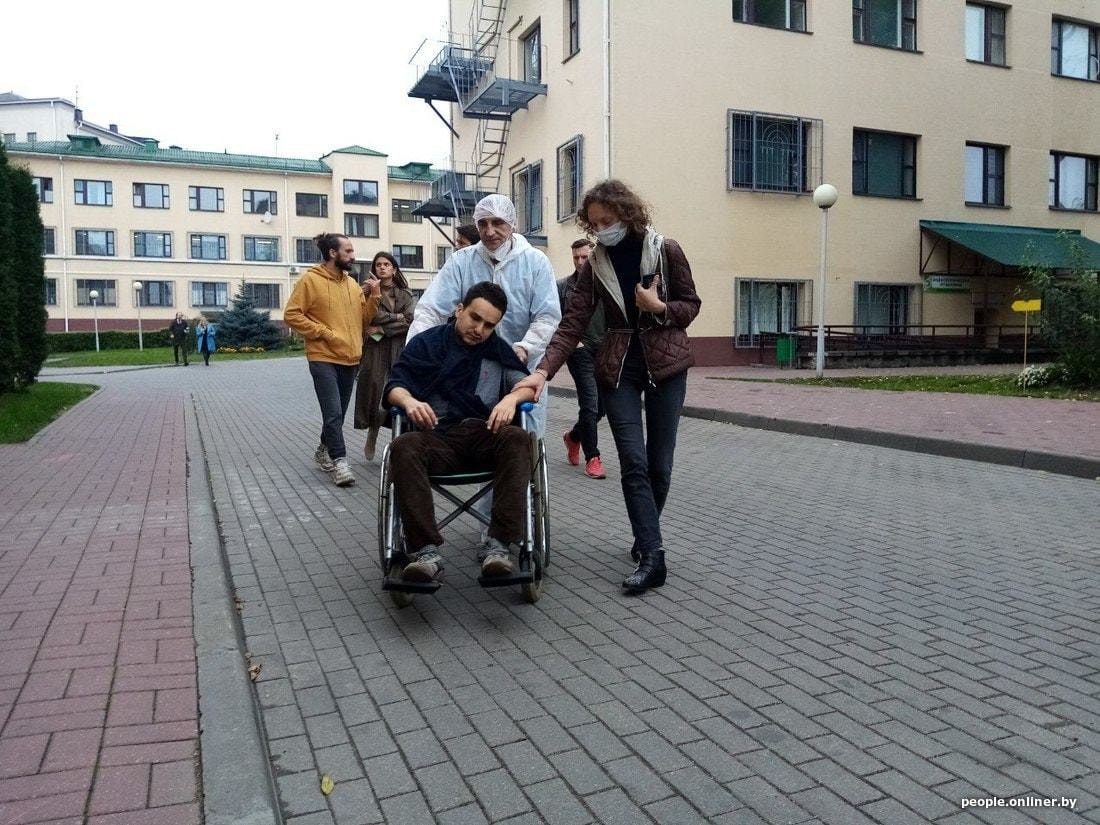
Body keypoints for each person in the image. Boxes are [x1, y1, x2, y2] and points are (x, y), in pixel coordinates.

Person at [515, 180, 701, 595]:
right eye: (595, 223)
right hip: (619, 368)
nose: (601, 230)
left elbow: (691, 305)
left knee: (660, 465)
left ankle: (644, 534)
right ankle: (653, 556)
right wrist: (542, 372)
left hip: (667, 365)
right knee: (633, 462)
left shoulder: (666, 250)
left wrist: (659, 307)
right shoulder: (594, 266)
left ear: (627, 214)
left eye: (607, 220)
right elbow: (572, 324)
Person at [409, 193, 560, 557]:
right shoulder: (462, 261)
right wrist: (419, 349)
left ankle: (508, 530)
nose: (490, 231)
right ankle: (490, 534)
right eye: (482, 224)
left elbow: (547, 316)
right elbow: (431, 308)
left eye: (498, 223)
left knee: (519, 450)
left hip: (517, 368)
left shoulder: (534, 262)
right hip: (467, 370)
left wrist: (525, 347)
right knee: (483, 442)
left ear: (512, 224)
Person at [384, 281, 535, 583]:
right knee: (403, 446)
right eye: (475, 318)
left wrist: (510, 399)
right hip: (436, 435)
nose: (479, 329)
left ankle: (498, 547)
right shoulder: (426, 344)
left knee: (519, 438)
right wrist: (410, 401)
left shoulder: (497, 350)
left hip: (484, 435)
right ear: (459, 309)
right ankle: (425, 553)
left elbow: (528, 387)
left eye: (489, 325)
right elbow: (394, 386)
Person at [285, 232, 381, 487]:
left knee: (336, 414)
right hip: (323, 356)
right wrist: (324, 333)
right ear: (332, 253)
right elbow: (292, 315)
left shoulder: (352, 285)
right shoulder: (310, 280)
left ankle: (322, 450)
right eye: (348, 251)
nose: (353, 256)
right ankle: (340, 462)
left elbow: (363, 320)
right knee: (333, 412)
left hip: (350, 358)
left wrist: (374, 296)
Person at [354, 251, 416, 460]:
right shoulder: (367, 291)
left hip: (398, 349)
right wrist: (395, 317)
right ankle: (372, 434)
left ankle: (397, 442)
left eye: (386, 264)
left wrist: (382, 328)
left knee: (396, 395)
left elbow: (410, 320)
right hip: (375, 350)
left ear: (394, 269)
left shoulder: (405, 294)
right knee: (374, 394)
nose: (382, 267)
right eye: (378, 264)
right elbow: (368, 317)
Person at [557, 239, 607, 479]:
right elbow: (553, 316)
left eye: (584, 257)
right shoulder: (563, 287)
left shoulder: (606, 283)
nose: (579, 262)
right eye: (576, 257)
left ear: (594, 257)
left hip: (605, 351)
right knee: (590, 403)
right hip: (579, 352)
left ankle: (574, 436)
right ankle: (593, 458)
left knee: (603, 406)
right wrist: (573, 342)